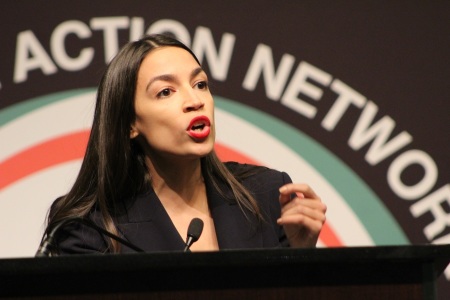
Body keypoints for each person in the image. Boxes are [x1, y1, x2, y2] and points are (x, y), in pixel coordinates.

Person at [41, 34, 327, 255]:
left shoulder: (266, 195)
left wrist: (300, 253)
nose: (194, 101)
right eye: (166, 92)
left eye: (200, 84)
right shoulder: (88, 227)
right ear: (130, 123)